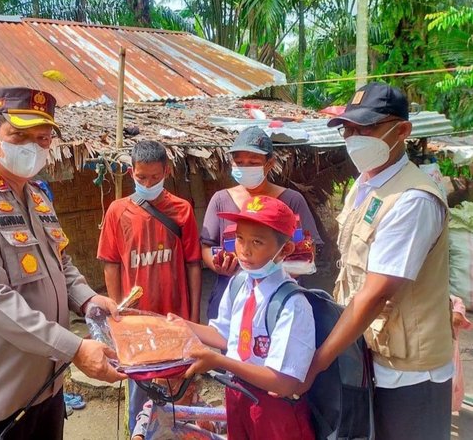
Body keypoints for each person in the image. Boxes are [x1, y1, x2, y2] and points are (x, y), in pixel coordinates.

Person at [0, 86, 125, 440]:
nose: (32, 146)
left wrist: (87, 299)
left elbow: (60, 264)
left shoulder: (36, 197)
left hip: (44, 392)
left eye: (43, 138)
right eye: (19, 135)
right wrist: (75, 349)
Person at [298, 82, 453, 440]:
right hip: (370, 353)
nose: (354, 138)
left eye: (367, 128)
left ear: (402, 131)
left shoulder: (413, 199)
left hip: (411, 370)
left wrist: (319, 361)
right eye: (348, 129)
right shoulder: (364, 186)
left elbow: (375, 293)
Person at [181, 195, 315, 439]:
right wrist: (179, 324)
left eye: (257, 242)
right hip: (238, 396)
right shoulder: (240, 284)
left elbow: (284, 383)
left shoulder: (292, 304)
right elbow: (224, 335)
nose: (244, 249)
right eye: (239, 238)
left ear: (285, 249)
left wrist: (219, 362)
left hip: (275, 412)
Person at [97, 139, 202, 436]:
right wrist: (117, 316)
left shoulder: (182, 210)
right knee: (139, 396)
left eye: (155, 177)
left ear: (166, 171)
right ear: (131, 172)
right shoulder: (117, 212)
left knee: (180, 394)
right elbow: (111, 264)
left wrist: (193, 318)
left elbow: (194, 264)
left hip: (175, 319)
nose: (148, 182)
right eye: (142, 177)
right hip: (136, 324)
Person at [200, 126, 322, 321]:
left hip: (280, 298)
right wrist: (219, 266)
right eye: (239, 162)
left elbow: (309, 248)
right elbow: (207, 246)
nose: (245, 167)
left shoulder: (291, 200)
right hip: (230, 294)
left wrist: (286, 271)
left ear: (270, 163)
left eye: (253, 163)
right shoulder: (221, 199)